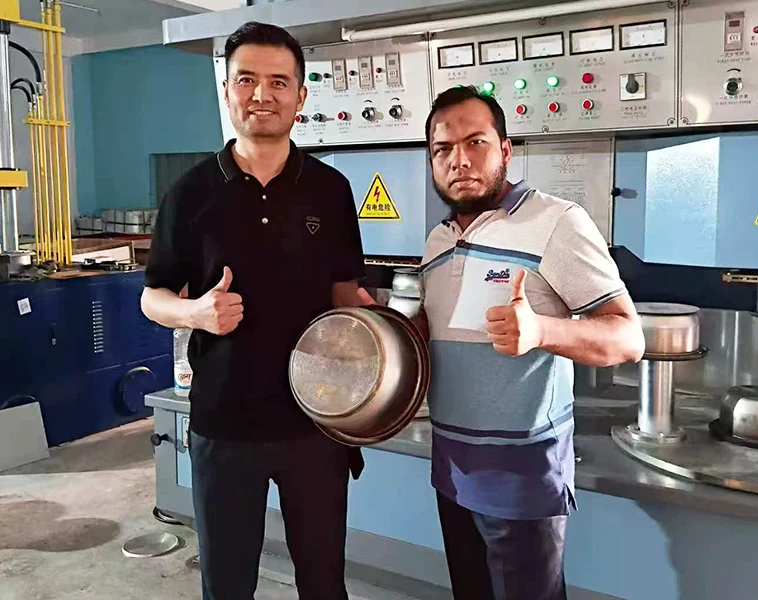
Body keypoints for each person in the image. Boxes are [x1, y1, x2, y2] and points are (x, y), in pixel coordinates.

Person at [140, 22, 368, 600]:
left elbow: (346, 295)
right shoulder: (190, 193)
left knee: (324, 581)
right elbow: (153, 296)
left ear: (301, 96)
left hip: (316, 423)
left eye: (278, 82)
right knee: (227, 584)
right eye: (246, 80)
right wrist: (196, 313)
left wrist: (388, 333)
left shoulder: (330, 190)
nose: (262, 95)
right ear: (226, 90)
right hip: (225, 424)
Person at [416, 86, 645, 600]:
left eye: (475, 143)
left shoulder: (557, 221)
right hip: (451, 470)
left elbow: (628, 337)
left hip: (522, 477)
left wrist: (542, 331)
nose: (459, 160)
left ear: (505, 149)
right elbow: (440, 331)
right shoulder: (437, 240)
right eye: (442, 149)